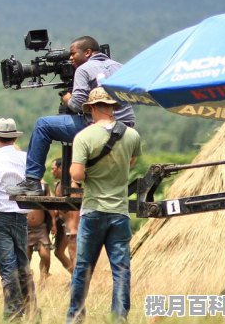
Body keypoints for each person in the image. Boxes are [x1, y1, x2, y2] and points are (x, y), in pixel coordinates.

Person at [7, 36, 135, 196]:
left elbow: (76, 105)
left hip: (99, 128)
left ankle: (32, 181)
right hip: (125, 127)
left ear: (87, 52)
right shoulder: (119, 66)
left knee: (42, 125)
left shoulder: (84, 69)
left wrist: (68, 99)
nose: (70, 57)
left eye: (73, 53)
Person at [66, 87, 141, 324]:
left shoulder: (84, 137)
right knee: (121, 271)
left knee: (83, 270)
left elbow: (77, 175)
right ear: (112, 107)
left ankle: (75, 318)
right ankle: (119, 319)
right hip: (119, 212)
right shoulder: (131, 135)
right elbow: (130, 162)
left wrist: (80, 171)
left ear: (92, 108)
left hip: (93, 211)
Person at [0, 118, 36, 321]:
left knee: (8, 269)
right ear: (14, 138)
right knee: (22, 266)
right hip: (21, 217)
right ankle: (31, 309)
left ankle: (13, 313)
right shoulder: (26, 158)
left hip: (0, 219)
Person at [51, 158, 79, 273]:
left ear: (61, 168)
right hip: (63, 223)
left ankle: (79, 282)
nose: (52, 172)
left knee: (73, 253)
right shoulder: (58, 185)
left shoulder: (73, 185)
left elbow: (77, 206)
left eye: (53, 169)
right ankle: (75, 277)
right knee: (58, 252)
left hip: (72, 224)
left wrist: (74, 227)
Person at [26, 181, 52, 282]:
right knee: (26, 257)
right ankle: (26, 279)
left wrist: (53, 221)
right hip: (26, 227)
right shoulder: (22, 183)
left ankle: (43, 277)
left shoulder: (44, 185)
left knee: (45, 255)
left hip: (40, 227)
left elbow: (49, 204)